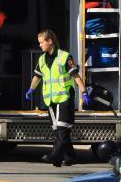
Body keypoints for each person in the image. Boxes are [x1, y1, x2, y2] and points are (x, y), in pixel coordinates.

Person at [26, 29, 88, 167]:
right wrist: (31, 88)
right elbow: (37, 76)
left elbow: (75, 76)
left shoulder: (65, 57)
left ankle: (55, 156)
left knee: (62, 128)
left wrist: (83, 92)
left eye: (42, 42)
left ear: (50, 41)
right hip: (51, 99)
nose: (40, 45)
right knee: (58, 129)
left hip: (65, 97)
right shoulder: (42, 59)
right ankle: (69, 156)